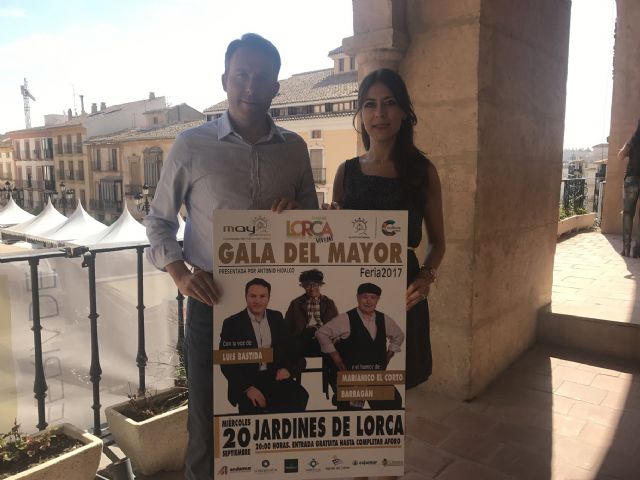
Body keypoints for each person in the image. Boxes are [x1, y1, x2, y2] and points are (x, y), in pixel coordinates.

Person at [145, 33, 318, 479]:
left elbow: (313, 227)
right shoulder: (190, 145)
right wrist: (179, 273)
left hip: (275, 307)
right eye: (242, 74)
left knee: (275, 421)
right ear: (225, 79)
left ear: (276, 87)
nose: (251, 86)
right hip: (211, 305)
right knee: (207, 422)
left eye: (262, 77)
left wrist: (298, 216)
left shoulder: (296, 150)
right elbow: (158, 220)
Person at [329, 68, 445, 390]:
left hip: (403, 297)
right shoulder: (346, 173)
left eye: (389, 102)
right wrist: (325, 223)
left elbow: (438, 242)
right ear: (361, 114)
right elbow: (332, 240)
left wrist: (425, 277)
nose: (379, 113)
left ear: (405, 112)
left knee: (394, 397)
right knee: (353, 385)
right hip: (351, 294)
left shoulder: (424, 172)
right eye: (369, 104)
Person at [219, 278, 308, 414]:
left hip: (274, 376)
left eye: (262, 296)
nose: (257, 301)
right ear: (246, 297)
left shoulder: (276, 317)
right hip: (248, 380)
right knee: (254, 410)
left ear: (268, 298)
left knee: (300, 396)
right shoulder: (232, 323)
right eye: (253, 296)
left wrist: (288, 370)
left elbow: (293, 349)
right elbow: (226, 362)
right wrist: (247, 388)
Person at [316, 283, 404, 411]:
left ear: (377, 300)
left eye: (373, 297)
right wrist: (337, 359)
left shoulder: (383, 319)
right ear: (357, 298)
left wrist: (388, 357)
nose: (368, 301)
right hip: (351, 377)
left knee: (393, 403)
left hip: (375, 377)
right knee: (349, 410)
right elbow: (321, 333)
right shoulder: (346, 318)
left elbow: (399, 335)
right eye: (364, 297)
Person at [284, 269, 339, 356]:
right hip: (302, 341)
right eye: (308, 285)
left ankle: (331, 369)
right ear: (303, 286)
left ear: (320, 285)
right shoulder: (296, 303)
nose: (312, 289)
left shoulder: (329, 303)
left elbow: (336, 325)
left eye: (315, 285)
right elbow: (286, 326)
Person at [617, 118, 640, 257]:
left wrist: (624, 150)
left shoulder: (632, 140)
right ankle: (638, 249)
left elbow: (620, 156)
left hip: (631, 179)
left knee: (627, 214)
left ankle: (626, 248)